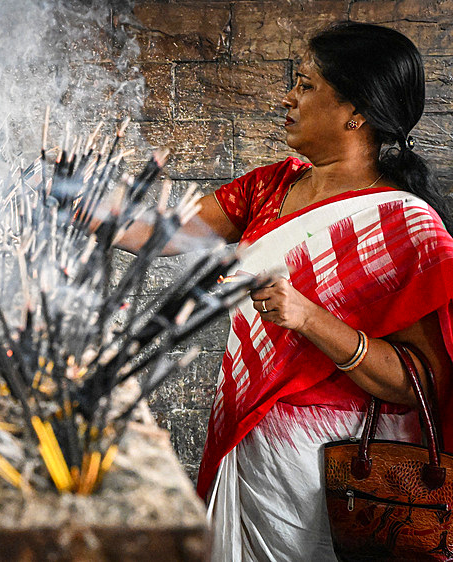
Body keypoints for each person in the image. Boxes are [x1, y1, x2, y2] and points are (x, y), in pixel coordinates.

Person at [114, 22, 453, 560]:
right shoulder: (274, 184)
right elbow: (166, 231)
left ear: (356, 112)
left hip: (330, 471)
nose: (287, 97)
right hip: (254, 450)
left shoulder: (405, 226)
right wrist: (88, 207)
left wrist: (310, 318)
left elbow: (424, 382)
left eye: (305, 84)